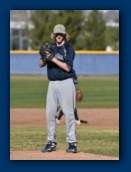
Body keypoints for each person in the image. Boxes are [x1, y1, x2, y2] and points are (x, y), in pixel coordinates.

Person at [39, 24, 77, 153]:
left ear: (65, 35)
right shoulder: (51, 47)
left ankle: (72, 142)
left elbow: (68, 68)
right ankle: (51, 142)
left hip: (66, 82)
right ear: (54, 35)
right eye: (56, 34)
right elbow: (40, 64)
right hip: (52, 84)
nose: (58, 36)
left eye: (61, 34)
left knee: (69, 113)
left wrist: (53, 58)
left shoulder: (69, 49)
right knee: (50, 113)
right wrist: (45, 57)